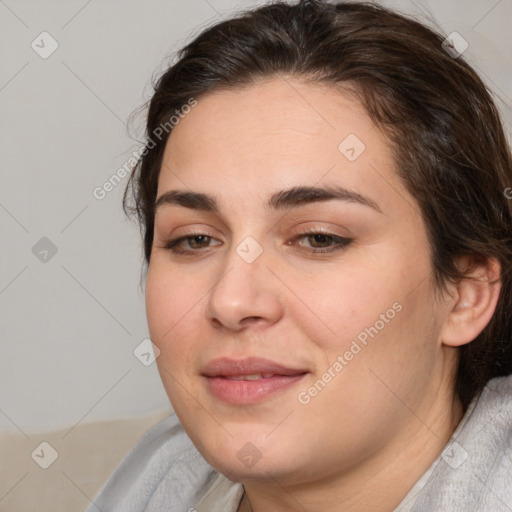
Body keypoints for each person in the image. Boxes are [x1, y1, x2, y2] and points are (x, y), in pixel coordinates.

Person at [85, 1, 512, 510]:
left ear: (465, 294)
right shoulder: (157, 478)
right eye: (195, 239)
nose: (232, 300)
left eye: (318, 238)